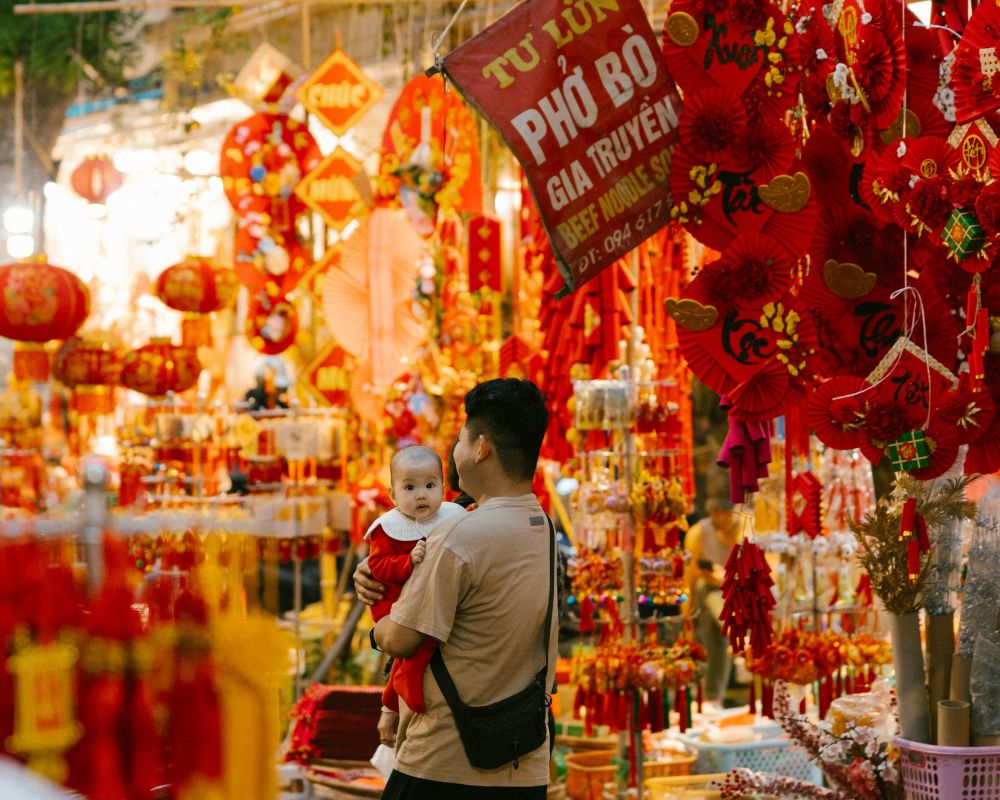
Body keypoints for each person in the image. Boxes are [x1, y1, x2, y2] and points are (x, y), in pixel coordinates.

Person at [357, 378, 555, 799]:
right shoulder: (541, 525)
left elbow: (399, 637)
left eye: (462, 439)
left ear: (481, 447)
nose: (457, 450)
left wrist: (374, 618)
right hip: (524, 760)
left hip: (447, 760)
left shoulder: (461, 537)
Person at [366, 445, 466, 746]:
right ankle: (404, 685)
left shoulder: (452, 517)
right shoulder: (388, 528)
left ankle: (396, 690)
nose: (421, 495)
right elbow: (376, 565)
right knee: (415, 641)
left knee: (427, 640)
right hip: (393, 601)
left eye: (430, 486)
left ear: (443, 488)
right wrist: (406, 562)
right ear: (393, 494)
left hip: (420, 598)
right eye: (410, 488)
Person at [684, 497, 742, 707]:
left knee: (712, 613)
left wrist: (726, 578)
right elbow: (689, 578)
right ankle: (738, 634)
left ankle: (712, 696)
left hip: (743, 595)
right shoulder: (699, 533)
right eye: (715, 512)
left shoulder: (747, 527)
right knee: (704, 590)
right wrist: (686, 618)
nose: (721, 518)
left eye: (726, 512)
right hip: (713, 598)